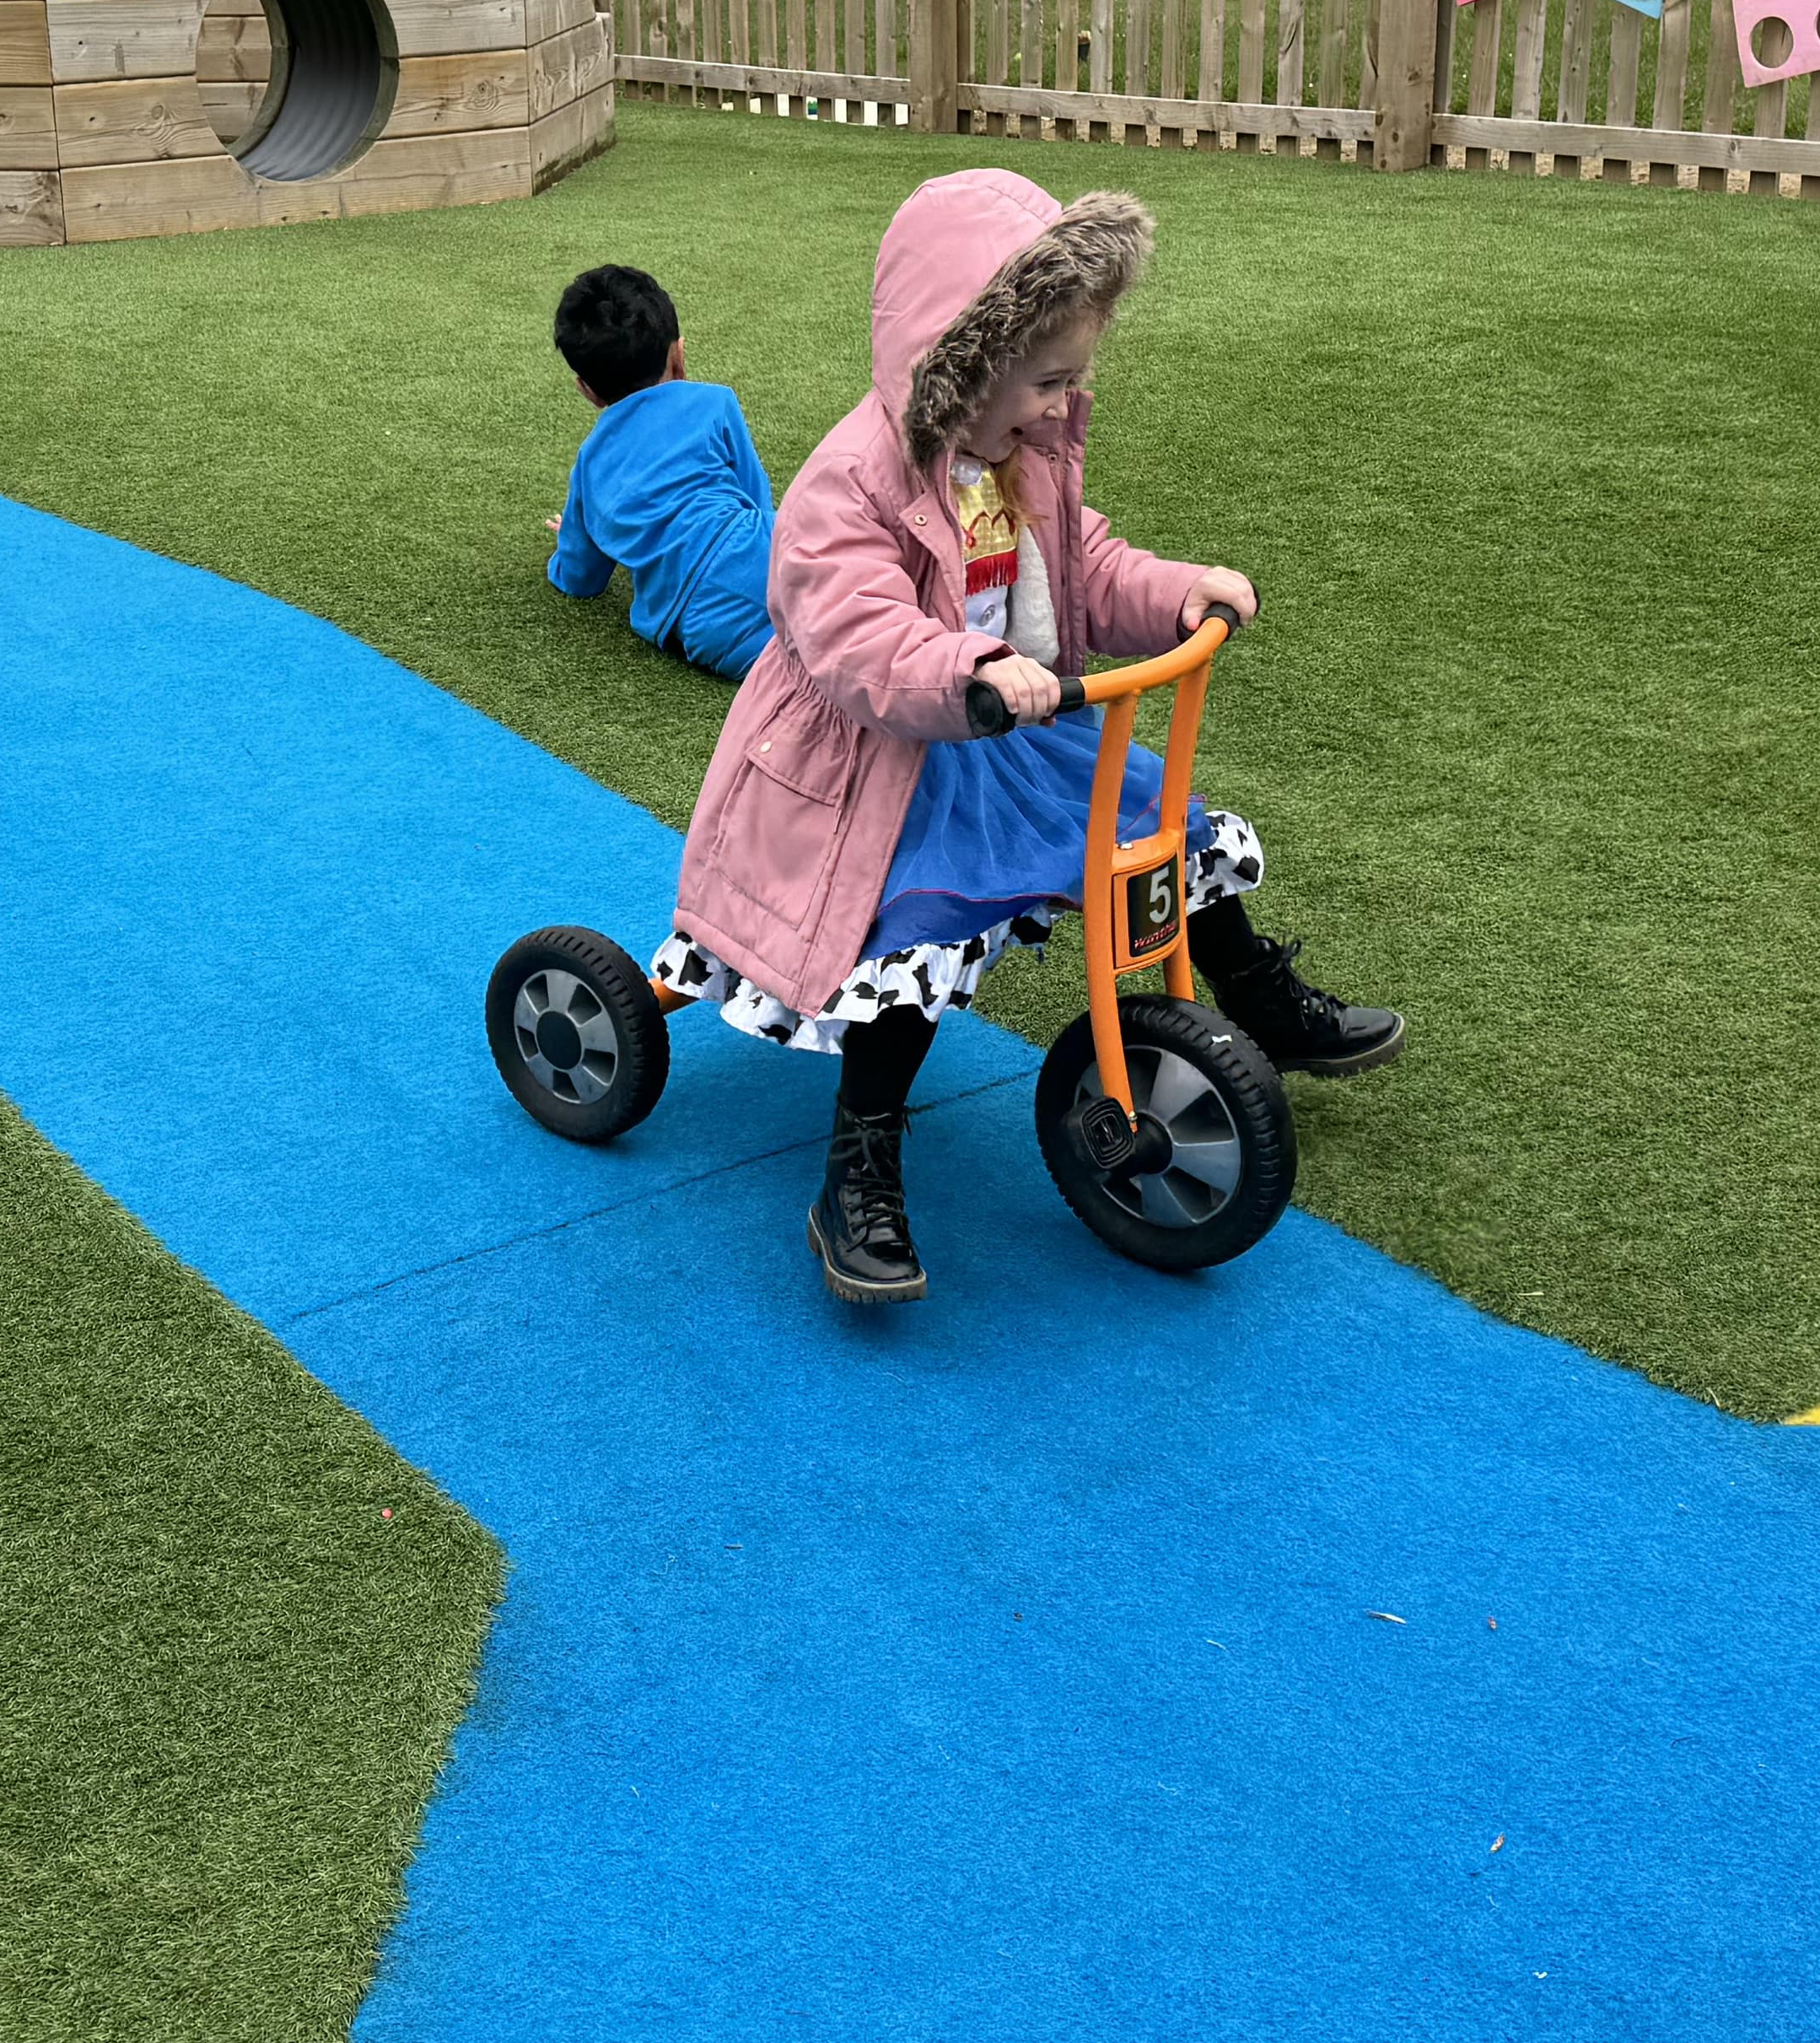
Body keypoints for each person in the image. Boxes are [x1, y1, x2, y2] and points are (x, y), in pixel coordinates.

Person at [653, 167, 1401, 1304]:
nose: (1062, 405)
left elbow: (1084, 568)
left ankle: (1253, 998)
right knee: (908, 937)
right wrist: (972, 666)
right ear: (961, 364)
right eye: (1046, 380)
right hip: (880, 759)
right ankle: (859, 1157)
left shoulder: (1017, 459)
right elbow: (857, 636)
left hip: (1006, 727)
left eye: (1074, 379)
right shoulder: (847, 485)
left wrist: (1179, 587)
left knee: (1161, 821)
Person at [544, 261, 776, 678]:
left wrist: (566, 548)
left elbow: (580, 580)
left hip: (697, 622)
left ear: (587, 390)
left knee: (810, 676)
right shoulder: (715, 402)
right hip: (766, 549)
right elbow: (757, 497)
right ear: (679, 355)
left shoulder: (590, 463)